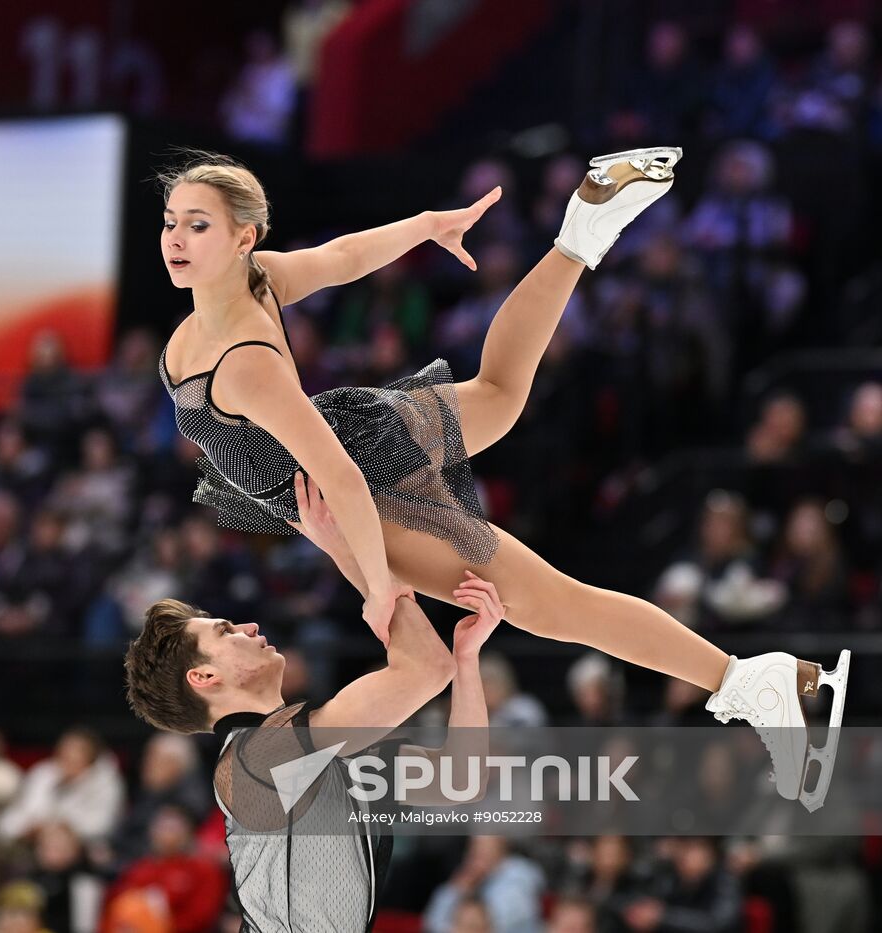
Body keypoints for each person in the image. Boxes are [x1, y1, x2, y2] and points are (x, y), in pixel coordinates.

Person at [151, 148, 848, 810]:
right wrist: (424, 227)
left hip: (352, 481)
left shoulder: (242, 360)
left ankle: (745, 681)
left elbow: (337, 474)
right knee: (502, 393)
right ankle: (583, 225)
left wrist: (377, 579)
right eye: (171, 222)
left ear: (244, 238)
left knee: (549, 603)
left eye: (197, 224)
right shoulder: (251, 285)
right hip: (347, 446)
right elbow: (339, 260)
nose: (176, 238)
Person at [124, 472, 503, 932]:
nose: (247, 628)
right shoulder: (259, 757)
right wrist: (346, 548)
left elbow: (458, 780)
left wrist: (466, 660)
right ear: (204, 676)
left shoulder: (310, 750)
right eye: (225, 632)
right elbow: (424, 670)